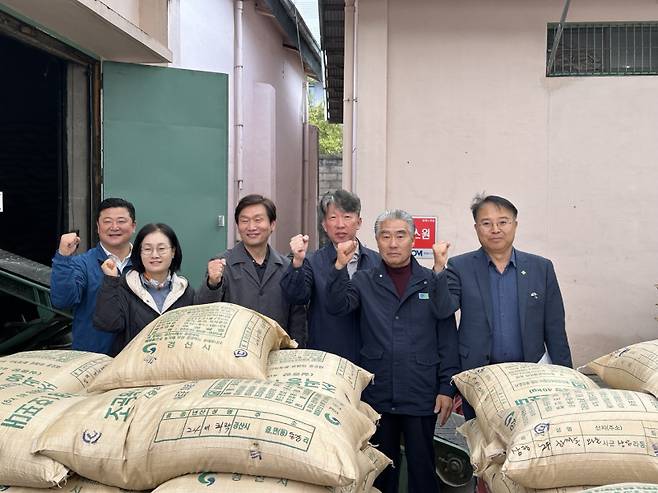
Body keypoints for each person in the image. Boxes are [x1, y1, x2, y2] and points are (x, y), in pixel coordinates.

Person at [326, 209, 459, 493]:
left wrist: (446, 387)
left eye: (401, 235)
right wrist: (339, 267)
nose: (393, 243)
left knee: (423, 470)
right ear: (376, 240)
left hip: (421, 392)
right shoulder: (364, 280)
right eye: (385, 236)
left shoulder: (430, 280)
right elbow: (337, 306)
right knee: (379, 470)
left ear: (413, 240)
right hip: (378, 394)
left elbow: (447, 334)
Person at [446, 194, 572, 419]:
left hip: (530, 378)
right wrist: (438, 272)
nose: (495, 229)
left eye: (503, 222)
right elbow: (443, 310)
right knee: (481, 445)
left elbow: (555, 329)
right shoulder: (460, 266)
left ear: (515, 225)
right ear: (476, 228)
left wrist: (568, 380)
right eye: (486, 223)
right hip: (479, 377)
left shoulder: (540, 268)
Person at [280, 190, 379, 362]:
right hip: (326, 357)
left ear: (359, 222)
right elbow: (296, 297)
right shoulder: (312, 261)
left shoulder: (377, 262)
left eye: (347, 216)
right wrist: (297, 261)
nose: (340, 224)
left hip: (369, 356)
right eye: (333, 218)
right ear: (324, 225)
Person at [93, 223, 220, 356]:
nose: (155, 255)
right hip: (134, 371)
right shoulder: (124, 286)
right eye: (147, 249)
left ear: (173, 252)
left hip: (174, 371)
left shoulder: (184, 290)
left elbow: (202, 324)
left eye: (161, 249)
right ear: (139, 253)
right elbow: (108, 324)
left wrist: (213, 283)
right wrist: (110, 280)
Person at [196, 194, 307, 345]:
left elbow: (297, 316)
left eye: (258, 220)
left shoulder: (286, 266)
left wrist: (296, 350)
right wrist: (212, 283)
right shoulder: (222, 263)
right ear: (237, 226)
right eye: (244, 221)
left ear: (272, 224)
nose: (251, 227)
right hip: (234, 354)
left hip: (277, 353)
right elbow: (203, 312)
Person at [50, 197, 136, 355]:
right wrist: (63, 257)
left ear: (133, 226)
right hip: (92, 361)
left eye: (121, 221)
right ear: (98, 227)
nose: (114, 227)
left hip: (136, 361)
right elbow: (62, 301)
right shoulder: (81, 264)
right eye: (107, 221)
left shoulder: (145, 264)